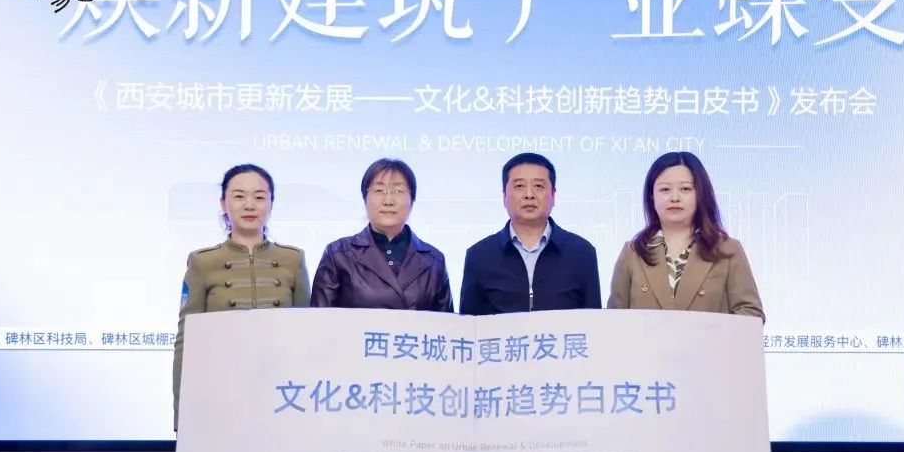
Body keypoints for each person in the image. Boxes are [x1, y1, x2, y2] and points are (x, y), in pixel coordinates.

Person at [172, 164, 310, 431]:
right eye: (238, 196)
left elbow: (305, 334)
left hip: (281, 394)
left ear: (271, 204)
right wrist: (182, 414)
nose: (249, 205)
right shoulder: (202, 262)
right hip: (221, 390)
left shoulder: (293, 259)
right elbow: (186, 341)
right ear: (223, 203)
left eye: (259, 196)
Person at [608, 151, 764, 319]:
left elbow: (751, 314)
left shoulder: (728, 250)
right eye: (665, 189)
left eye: (685, 189)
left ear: (700, 194)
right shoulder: (633, 252)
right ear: (652, 195)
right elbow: (614, 320)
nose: (675, 198)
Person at [460, 152, 600, 315]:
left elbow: (594, 323)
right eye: (519, 186)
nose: (529, 195)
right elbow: (469, 325)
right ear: (504, 196)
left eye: (538, 186)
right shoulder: (479, 256)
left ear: (553, 195)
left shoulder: (582, 253)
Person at [311, 158, 453, 312]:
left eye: (398, 191)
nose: (388, 201)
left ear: (412, 200)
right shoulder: (338, 255)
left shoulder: (434, 261)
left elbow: (446, 324)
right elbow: (319, 321)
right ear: (365, 199)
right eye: (379, 190)